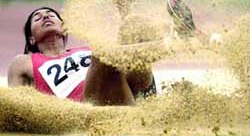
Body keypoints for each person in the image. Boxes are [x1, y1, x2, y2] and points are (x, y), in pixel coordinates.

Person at [8, 7, 159, 105]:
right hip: (87, 107)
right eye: (37, 18)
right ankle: (173, 44)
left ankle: (177, 29)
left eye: (51, 15)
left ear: (64, 28)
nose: (45, 17)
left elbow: (127, 45)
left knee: (133, 23)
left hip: (129, 91)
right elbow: (15, 106)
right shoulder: (24, 62)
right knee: (102, 53)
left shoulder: (87, 49)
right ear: (31, 38)